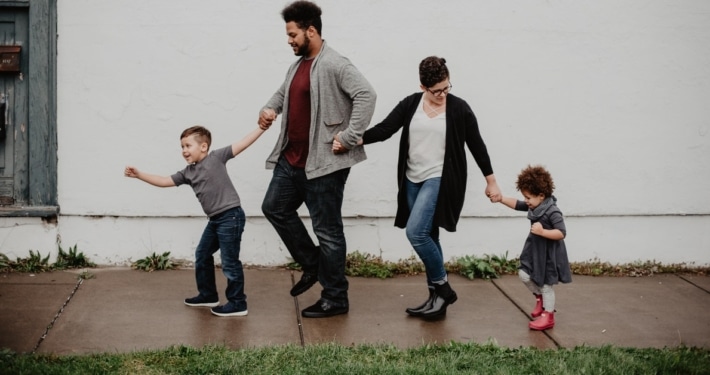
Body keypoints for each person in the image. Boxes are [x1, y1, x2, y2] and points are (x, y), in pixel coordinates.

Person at [334, 56, 501, 319]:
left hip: (440, 178)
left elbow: (476, 144)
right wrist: (352, 140)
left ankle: (444, 289)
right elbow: (385, 129)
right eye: (437, 91)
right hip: (412, 179)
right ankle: (436, 300)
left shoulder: (459, 109)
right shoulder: (412, 104)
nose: (443, 94)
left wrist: (491, 180)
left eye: (447, 88)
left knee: (416, 233)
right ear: (423, 87)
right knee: (429, 236)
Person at [258, 1, 376, 318]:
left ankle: (335, 297)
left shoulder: (335, 64)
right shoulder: (297, 66)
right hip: (292, 160)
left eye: (293, 34)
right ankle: (313, 265)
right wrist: (269, 109)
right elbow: (283, 94)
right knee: (274, 208)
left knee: (328, 232)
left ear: (311, 30)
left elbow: (367, 95)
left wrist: (349, 136)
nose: (289, 40)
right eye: (288, 34)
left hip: (323, 165)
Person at [124, 125, 266, 317]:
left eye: (188, 146)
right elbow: (164, 180)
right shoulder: (188, 173)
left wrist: (262, 128)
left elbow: (242, 143)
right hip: (215, 220)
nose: (184, 151)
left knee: (230, 262)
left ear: (204, 146)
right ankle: (208, 295)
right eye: (182, 147)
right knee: (202, 254)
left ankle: (238, 303)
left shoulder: (217, 157)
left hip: (231, 216)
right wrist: (139, 175)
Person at [492, 165, 572, 330]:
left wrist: (543, 232)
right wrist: (501, 199)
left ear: (541, 196)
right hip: (535, 251)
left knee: (546, 285)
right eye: (525, 197)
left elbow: (561, 233)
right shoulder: (534, 206)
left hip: (548, 254)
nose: (526, 201)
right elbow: (517, 204)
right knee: (523, 274)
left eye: (528, 197)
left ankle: (548, 316)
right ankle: (539, 298)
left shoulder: (553, 211)